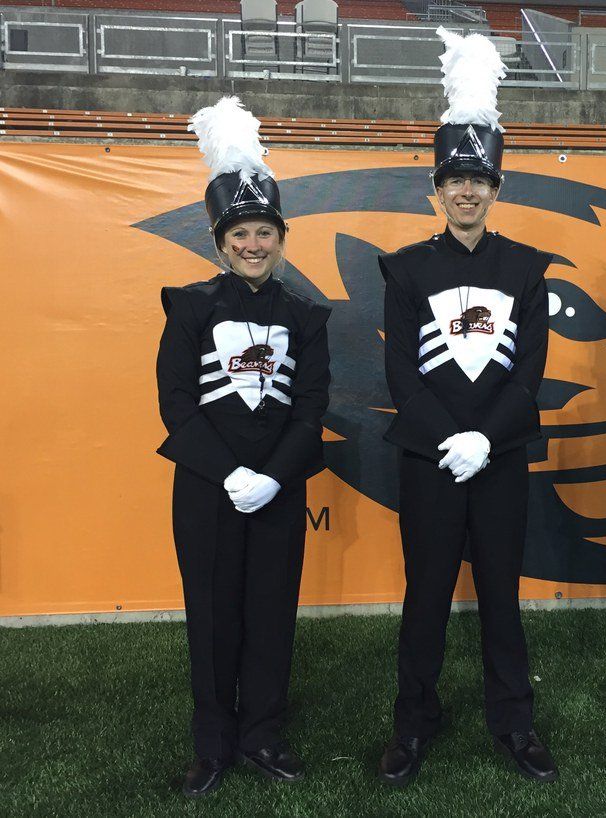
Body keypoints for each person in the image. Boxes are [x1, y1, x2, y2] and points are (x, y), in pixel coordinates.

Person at [375, 27, 557, 787]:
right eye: (454, 179)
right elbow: (400, 374)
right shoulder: (406, 270)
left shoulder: (527, 269)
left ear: (497, 188)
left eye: (479, 179)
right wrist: (449, 438)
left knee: (501, 599)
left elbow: (529, 373)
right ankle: (414, 723)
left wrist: (486, 438)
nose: (467, 191)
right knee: (424, 598)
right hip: (429, 460)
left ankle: (514, 721)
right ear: (437, 188)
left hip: (501, 459)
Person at [156, 97, 331, 797]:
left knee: (271, 614)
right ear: (219, 240)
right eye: (240, 234)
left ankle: (262, 734)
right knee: (211, 616)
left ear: (281, 238)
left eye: (264, 232)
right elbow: (176, 403)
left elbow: (311, 407)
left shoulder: (306, 316)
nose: (253, 244)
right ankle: (213, 744)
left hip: (280, 489)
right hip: (207, 489)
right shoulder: (189, 306)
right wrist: (228, 472)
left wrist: (274, 476)